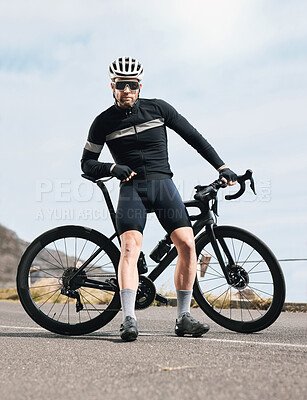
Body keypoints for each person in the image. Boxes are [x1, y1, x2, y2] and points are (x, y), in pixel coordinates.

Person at [81, 57, 237, 342]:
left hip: (163, 185)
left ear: (139, 86)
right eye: (120, 85)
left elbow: (195, 138)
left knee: (187, 244)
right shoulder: (103, 122)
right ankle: (128, 319)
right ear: (112, 86)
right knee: (130, 247)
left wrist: (222, 167)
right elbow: (87, 164)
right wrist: (112, 169)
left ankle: (183, 318)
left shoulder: (159, 109)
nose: (126, 90)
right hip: (131, 189)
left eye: (131, 85)